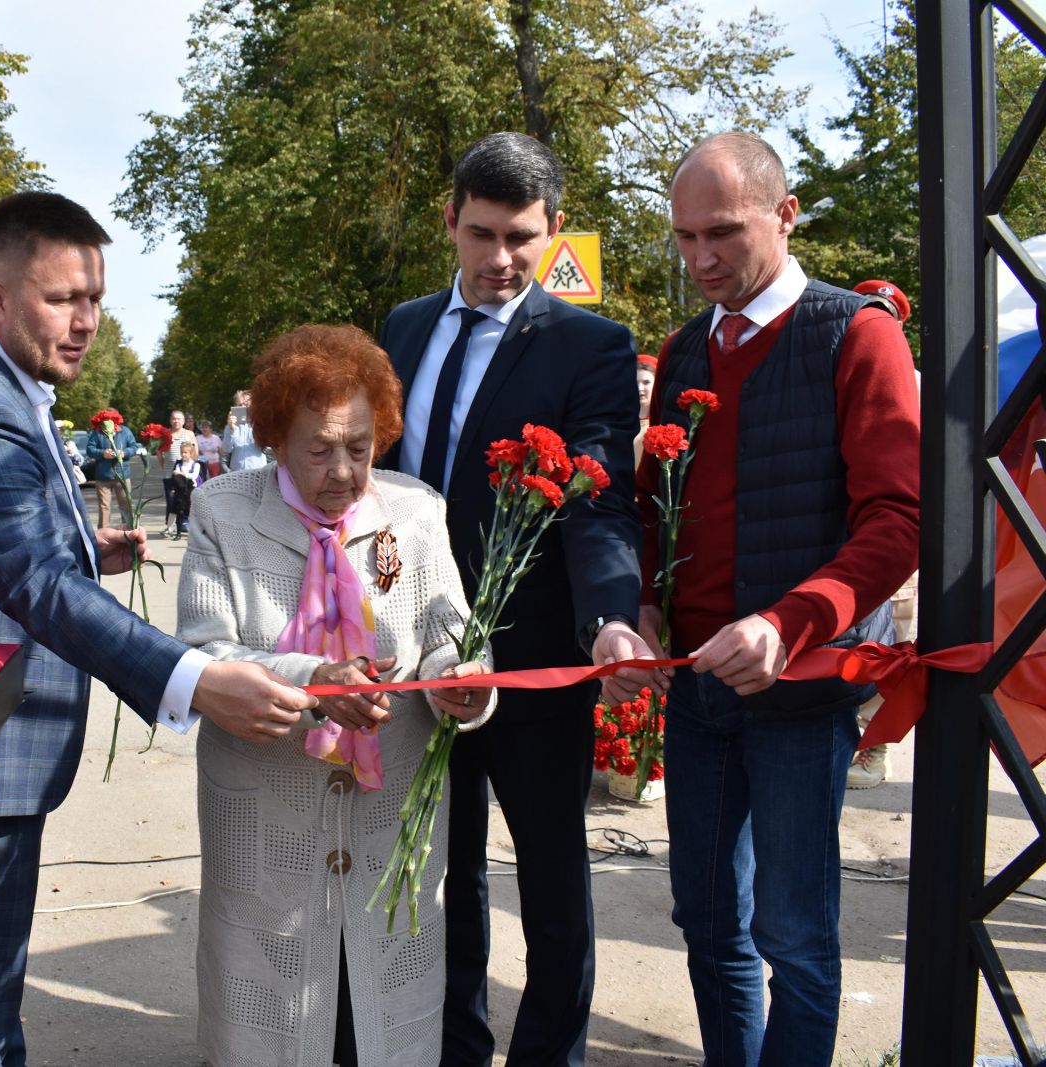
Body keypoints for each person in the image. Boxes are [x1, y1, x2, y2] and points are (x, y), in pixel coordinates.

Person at [0, 191, 319, 1067]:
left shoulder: (4, 379)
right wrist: (192, 678)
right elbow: (33, 583)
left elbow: (17, 546)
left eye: (97, 300)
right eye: (63, 299)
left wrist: (88, 546)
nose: (85, 322)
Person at [605, 133, 919, 1063]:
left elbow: (896, 521)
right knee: (706, 917)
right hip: (699, 690)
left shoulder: (857, 333)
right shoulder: (684, 351)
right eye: (684, 237)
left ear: (785, 216)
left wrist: (790, 621)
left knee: (794, 934)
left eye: (724, 234)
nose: (701, 259)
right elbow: (657, 504)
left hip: (801, 694)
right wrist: (648, 604)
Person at [377, 131, 643, 1065]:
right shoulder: (402, 328)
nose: (500, 260)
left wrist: (610, 618)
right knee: (439, 872)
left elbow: (597, 502)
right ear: (449, 219)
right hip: (416, 660)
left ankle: (547, 1053)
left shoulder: (592, 346)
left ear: (555, 229)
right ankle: (456, 1045)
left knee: (552, 883)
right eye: (482, 233)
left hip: (535, 662)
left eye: (523, 238)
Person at [178, 324, 493, 1066]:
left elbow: (454, 631)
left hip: (389, 820)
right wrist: (312, 680)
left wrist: (463, 683)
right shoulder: (224, 512)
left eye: (360, 445)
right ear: (276, 438)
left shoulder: (414, 513)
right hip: (268, 813)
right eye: (320, 448)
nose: (345, 470)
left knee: (382, 1005)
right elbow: (205, 649)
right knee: (272, 1014)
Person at [848, 278, 917, 790]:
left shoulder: (914, 379)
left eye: (887, 311)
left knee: (898, 643)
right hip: (857, 531)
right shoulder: (847, 363)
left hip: (902, 534)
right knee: (864, 639)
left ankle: (875, 745)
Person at [85, 414, 139, 527]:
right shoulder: (97, 432)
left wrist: (124, 453)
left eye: (111, 420)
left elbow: (134, 447)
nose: (108, 422)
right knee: (104, 506)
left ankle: (129, 530)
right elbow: (89, 449)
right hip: (103, 476)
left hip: (123, 475)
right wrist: (103, 453)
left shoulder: (125, 431)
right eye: (106, 420)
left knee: (126, 505)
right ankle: (104, 532)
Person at [162, 409, 198, 535]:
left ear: (183, 421)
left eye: (179, 419)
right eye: (174, 418)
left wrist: (190, 468)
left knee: (185, 500)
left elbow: (195, 453)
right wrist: (168, 468)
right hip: (169, 475)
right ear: (170, 420)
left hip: (186, 476)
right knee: (171, 501)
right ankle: (170, 526)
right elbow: (160, 454)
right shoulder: (165, 434)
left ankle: (183, 523)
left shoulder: (189, 434)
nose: (176, 421)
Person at [225, 389, 268, 471]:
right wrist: (232, 430)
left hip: (258, 470)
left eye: (246, 404)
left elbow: (268, 449)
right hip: (237, 471)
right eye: (240, 405)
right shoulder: (231, 425)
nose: (243, 407)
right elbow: (226, 450)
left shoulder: (261, 423)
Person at [170, 439, 203, 538]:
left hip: (191, 489)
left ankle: (195, 532)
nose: (183, 455)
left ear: (191, 453)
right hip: (180, 490)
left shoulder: (196, 465)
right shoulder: (179, 464)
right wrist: (173, 488)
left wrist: (182, 473)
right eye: (182, 452)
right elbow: (175, 476)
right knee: (179, 510)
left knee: (191, 511)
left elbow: (194, 476)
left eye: (186, 453)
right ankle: (178, 532)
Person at [634, 353, 657, 467]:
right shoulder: (621, 418)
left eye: (646, 382)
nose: (640, 388)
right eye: (636, 382)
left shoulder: (661, 418)